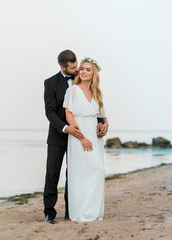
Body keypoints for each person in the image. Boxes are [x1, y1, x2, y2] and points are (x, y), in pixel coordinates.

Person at [43, 51, 107, 224]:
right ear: (62, 67)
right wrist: (66, 128)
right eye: (73, 67)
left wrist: (102, 121)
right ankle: (49, 212)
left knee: (76, 174)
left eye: (77, 65)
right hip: (59, 135)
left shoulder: (84, 81)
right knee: (52, 174)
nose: (78, 69)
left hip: (82, 134)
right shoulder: (50, 83)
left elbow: (93, 107)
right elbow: (50, 111)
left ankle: (72, 210)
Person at [63, 57, 108, 222]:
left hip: (94, 137)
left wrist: (105, 124)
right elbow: (68, 114)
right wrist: (81, 138)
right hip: (79, 135)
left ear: (93, 73)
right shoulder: (73, 90)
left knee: (95, 171)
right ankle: (84, 212)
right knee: (87, 172)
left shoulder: (97, 92)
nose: (83, 72)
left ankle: (93, 211)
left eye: (88, 70)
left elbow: (102, 115)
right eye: (82, 69)